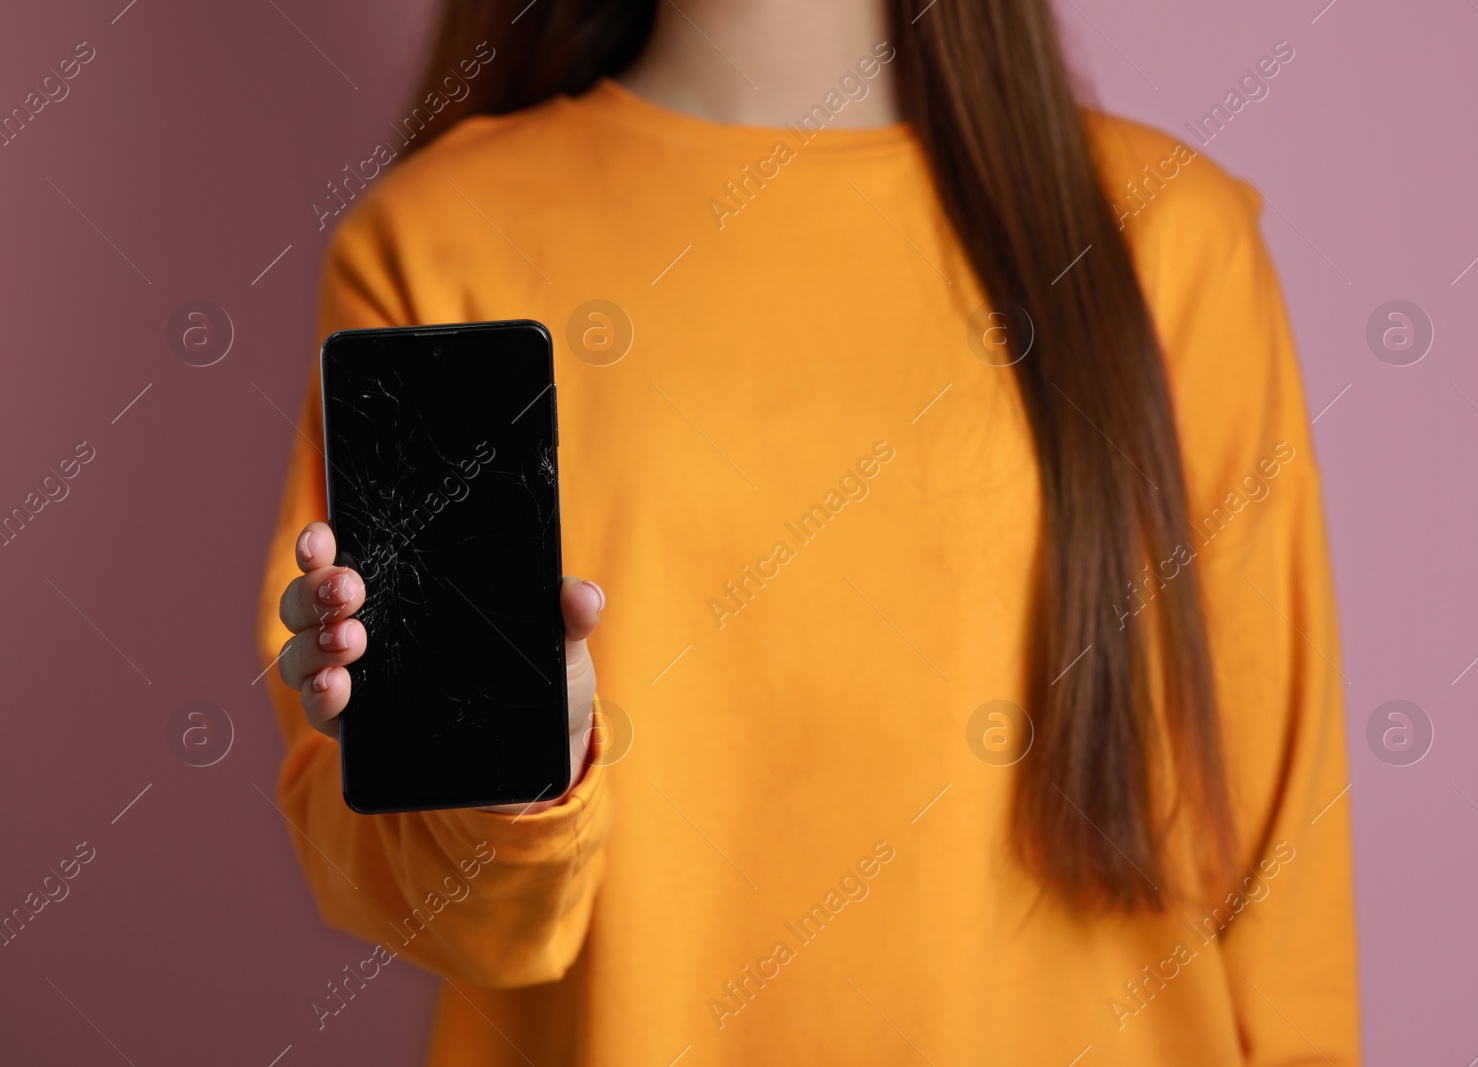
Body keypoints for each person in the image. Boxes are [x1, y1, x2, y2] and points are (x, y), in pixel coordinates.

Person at [258, 0, 1360, 1063]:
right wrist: (514, 782)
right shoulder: (442, 236)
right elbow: (472, 925)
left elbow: (1282, 895)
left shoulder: (1167, 236)